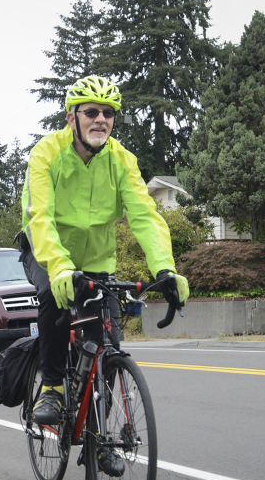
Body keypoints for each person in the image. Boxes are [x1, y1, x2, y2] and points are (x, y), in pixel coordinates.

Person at [19, 75, 190, 425]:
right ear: (72, 117)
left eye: (109, 113)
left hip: (97, 261)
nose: (101, 119)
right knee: (55, 296)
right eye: (92, 111)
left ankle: (101, 440)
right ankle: (52, 387)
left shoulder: (122, 160)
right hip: (45, 251)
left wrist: (165, 269)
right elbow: (40, 217)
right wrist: (60, 267)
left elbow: (145, 216)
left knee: (108, 340)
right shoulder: (47, 153)